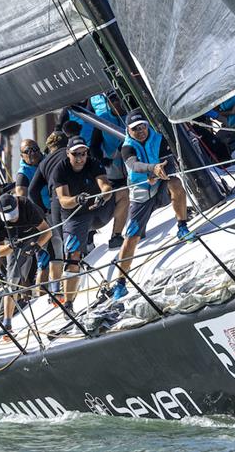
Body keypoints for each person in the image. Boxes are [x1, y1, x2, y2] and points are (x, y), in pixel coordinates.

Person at [111, 111, 195, 300]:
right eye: (135, 129)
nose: (140, 131)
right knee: (132, 237)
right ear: (128, 130)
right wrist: (152, 170)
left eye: (143, 126)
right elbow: (133, 165)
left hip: (160, 185)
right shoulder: (127, 148)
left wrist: (161, 173)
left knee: (176, 183)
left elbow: (170, 163)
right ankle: (120, 283)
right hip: (141, 194)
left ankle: (182, 227)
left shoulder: (158, 139)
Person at [52, 136, 120, 308]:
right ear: (68, 153)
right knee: (73, 256)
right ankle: (68, 303)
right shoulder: (60, 170)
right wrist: (77, 199)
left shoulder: (93, 162)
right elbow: (63, 200)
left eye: (83, 153)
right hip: (75, 216)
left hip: (97, 209)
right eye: (76, 154)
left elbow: (106, 186)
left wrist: (102, 196)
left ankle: (117, 236)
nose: (81, 157)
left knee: (123, 194)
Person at [0, 194, 52, 333]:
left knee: (55, 251)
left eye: (13, 214)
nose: (12, 219)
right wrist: (10, 247)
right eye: (8, 216)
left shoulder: (26, 205)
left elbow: (47, 231)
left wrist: (37, 246)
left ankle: (58, 296)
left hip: (36, 234)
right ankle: (7, 323)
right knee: (13, 281)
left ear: (17, 204)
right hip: (14, 243)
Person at [28, 132, 69, 290]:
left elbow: (33, 191)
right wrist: (43, 211)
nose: (33, 153)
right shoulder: (25, 172)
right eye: (29, 151)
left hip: (50, 211)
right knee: (55, 251)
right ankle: (55, 291)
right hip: (47, 215)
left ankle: (54, 290)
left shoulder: (44, 163)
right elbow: (29, 191)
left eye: (35, 149)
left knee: (56, 251)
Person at [89, 92, 130, 249]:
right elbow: (94, 145)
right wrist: (102, 162)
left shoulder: (130, 117)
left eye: (119, 98)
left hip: (132, 167)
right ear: (108, 102)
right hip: (113, 168)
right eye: (113, 99)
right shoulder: (103, 119)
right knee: (121, 195)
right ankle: (115, 234)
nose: (117, 102)